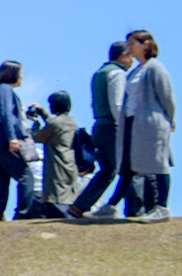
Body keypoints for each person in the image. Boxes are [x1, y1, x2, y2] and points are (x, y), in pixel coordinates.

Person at [70, 42, 131, 220]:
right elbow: (117, 103)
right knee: (127, 168)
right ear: (123, 56)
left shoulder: (99, 73)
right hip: (112, 126)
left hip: (99, 126)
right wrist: (124, 127)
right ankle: (131, 207)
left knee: (107, 170)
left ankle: (80, 206)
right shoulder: (117, 73)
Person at [122, 30, 174, 222]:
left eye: (132, 43)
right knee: (134, 164)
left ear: (145, 44)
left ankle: (162, 207)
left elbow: (167, 96)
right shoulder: (136, 71)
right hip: (136, 123)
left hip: (152, 122)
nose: (129, 48)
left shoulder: (155, 68)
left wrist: (170, 120)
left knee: (159, 163)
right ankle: (112, 205)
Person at [0, 60, 29, 222]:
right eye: (20, 74)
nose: (22, 77)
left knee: (1, 183)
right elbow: (7, 114)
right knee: (26, 176)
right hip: (4, 143)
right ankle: (23, 213)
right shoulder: (6, 90)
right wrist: (12, 138)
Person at [35, 91, 80, 218]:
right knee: (68, 194)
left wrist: (35, 125)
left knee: (55, 196)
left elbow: (38, 137)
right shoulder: (71, 121)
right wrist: (43, 113)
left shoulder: (55, 123)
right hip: (69, 163)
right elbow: (55, 124)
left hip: (56, 165)